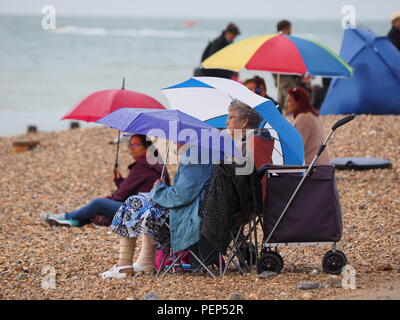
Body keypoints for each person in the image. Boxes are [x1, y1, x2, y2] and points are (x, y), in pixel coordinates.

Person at [100, 144, 214, 278]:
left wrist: (159, 189)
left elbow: (182, 195)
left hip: (190, 213)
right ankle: (146, 261)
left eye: (179, 139)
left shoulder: (195, 157)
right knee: (145, 205)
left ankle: (124, 264)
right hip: (201, 209)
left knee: (135, 203)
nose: (175, 143)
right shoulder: (210, 154)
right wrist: (162, 189)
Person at [41, 134, 169, 227]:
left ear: (147, 147)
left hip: (140, 211)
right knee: (102, 206)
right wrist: (119, 182)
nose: (131, 148)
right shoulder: (157, 163)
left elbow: (122, 194)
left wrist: (117, 184)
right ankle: (75, 221)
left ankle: (65, 217)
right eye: (130, 145)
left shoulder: (142, 165)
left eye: (136, 144)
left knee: (99, 203)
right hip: (154, 210)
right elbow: (132, 189)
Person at [285, 87, 330, 165]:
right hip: (323, 165)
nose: (286, 104)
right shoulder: (313, 115)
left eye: (289, 101)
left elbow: (296, 149)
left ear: (298, 102)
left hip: (312, 168)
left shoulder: (303, 118)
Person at [273, 20, 301, 113]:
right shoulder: (282, 41)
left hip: (282, 74)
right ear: (284, 30)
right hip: (284, 74)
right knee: (290, 96)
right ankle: (288, 113)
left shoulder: (277, 41)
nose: (290, 33)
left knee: (283, 96)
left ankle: (282, 114)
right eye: (289, 31)